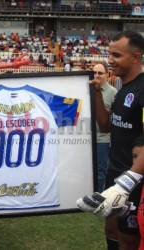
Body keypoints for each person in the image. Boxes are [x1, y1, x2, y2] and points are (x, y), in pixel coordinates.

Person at [77, 31, 144, 250]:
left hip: (133, 180)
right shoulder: (123, 90)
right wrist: (97, 93)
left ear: (136, 57)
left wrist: (127, 183)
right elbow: (106, 126)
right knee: (111, 229)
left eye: (117, 55)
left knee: (128, 239)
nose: (110, 60)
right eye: (109, 54)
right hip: (115, 173)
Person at [92, 63, 117, 192]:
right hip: (88, 139)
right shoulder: (89, 89)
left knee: (101, 170)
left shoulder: (113, 93)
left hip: (103, 139)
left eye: (100, 73)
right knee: (90, 169)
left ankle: (100, 196)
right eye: (94, 72)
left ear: (107, 74)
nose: (96, 75)